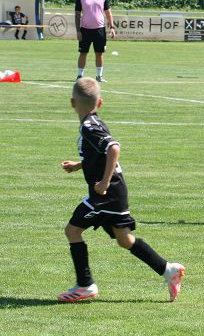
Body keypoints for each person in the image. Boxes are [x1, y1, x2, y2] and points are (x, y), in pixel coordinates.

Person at [59, 78, 184, 303]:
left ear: (72, 103)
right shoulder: (94, 122)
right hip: (114, 193)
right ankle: (168, 269)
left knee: (72, 230)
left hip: (106, 195)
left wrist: (104, 182)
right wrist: (79, 165)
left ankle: (85, 285)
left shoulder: (88, 126)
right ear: (100, 102)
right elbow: (99, 154)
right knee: (124, 239)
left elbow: (113, 148)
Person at [75, 0, 116, 82]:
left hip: (99, 30)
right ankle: (80, 76)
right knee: (83, 53)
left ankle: (99, 76)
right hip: (85, 30)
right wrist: (78, 31)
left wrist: (112, 27)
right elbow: (77, 15)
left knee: (99, 53)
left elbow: (108, 13)